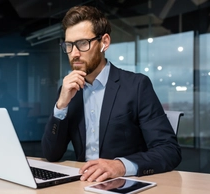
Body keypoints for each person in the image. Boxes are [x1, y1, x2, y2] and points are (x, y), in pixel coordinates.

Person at [41, 5, 181, 182]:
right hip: (82, 183)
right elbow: (51, 154)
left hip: (125, 183)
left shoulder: (137, 85)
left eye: (83, 44)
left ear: (104, 42)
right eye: (69, 45)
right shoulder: (68, 90)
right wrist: (61, 105)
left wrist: (121, 166)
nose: (74, 54)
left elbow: (169, 150)